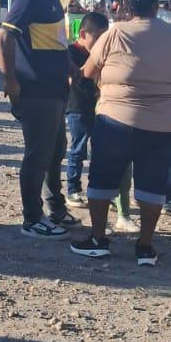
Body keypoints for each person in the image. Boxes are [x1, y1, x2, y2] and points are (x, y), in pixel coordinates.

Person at [70, 0, 171, 265]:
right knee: (152, 184)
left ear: (126, 6)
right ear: (156, 5)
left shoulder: (114, 35)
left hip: (117, 122)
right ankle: (145, 246)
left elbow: (87, 72)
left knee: (103, 179)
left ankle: (98, 239)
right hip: (168, 125)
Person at [0, 0, 76, 238]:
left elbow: (52, 39)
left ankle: (56, 208)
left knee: (56, 152)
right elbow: (4, 36)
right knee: (38, 155)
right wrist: (10, 80)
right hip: (36, 91)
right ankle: (32, 219)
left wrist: (70, 65)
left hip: (55, 89)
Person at [64, 11, 109, 205]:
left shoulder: (100, 54)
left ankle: (94, 188)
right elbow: (71, 78)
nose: (101, 43)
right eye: (97, 37)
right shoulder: (71, 53)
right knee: (78, 148)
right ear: (83, 35)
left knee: (98, 150)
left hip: (96, 108)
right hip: (77, 108)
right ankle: (73, 188)